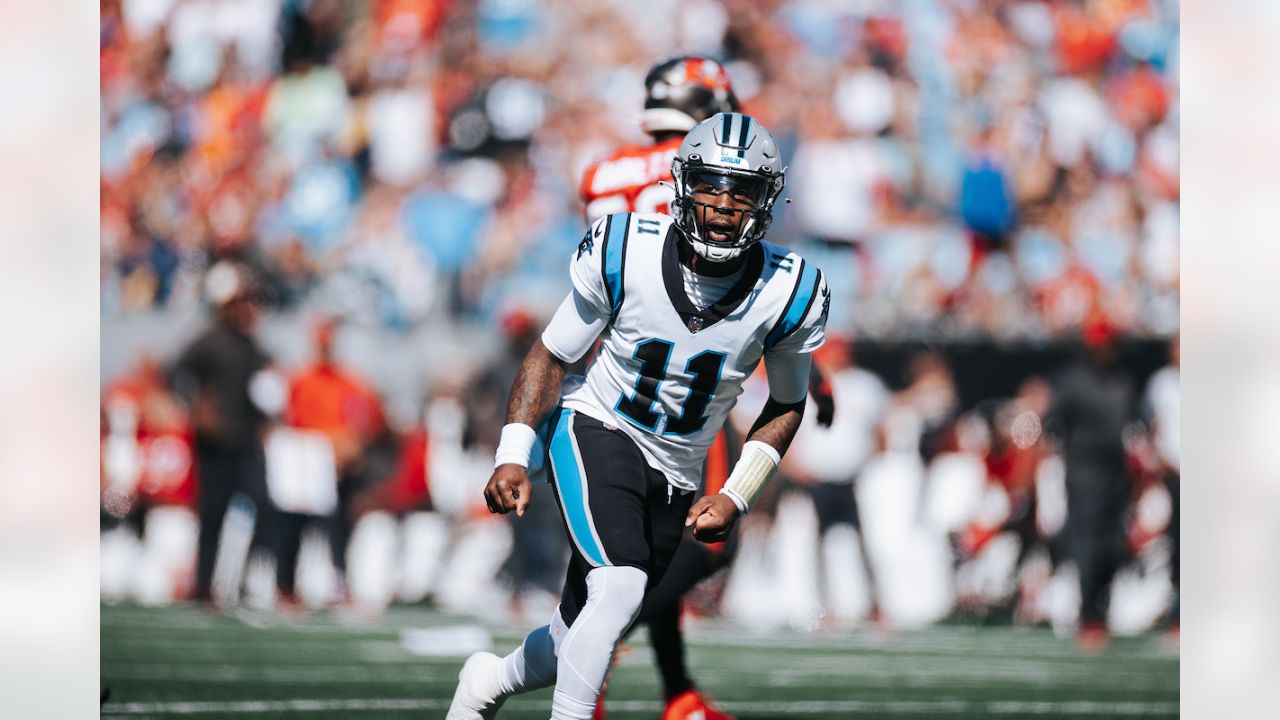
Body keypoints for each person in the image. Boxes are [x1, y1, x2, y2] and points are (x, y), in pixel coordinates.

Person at [448, 112, 829, 720]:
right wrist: (513, 454)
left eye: (744, 191)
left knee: (577, 633)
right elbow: (552, 354)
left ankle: (486, 683)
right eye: (710, 184)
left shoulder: (791, 289)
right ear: (682, 185)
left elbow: (786, 404)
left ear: (768, 198)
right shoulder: (627, 247)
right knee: (620, 587)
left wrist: (737, 494)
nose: (725, 205)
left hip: (678, 471)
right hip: (597, 426)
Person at [579, 59, 831, 718]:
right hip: (677, 388)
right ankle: (594, 655)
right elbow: (722, 275)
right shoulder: (711, 181)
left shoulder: (609, 172)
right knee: (693, 542)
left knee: (645, 546)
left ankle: (675, 691)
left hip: (606, 381)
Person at [171, 260, 278, 605]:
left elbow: (265, 394)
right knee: (213, 516)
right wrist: (196, 407)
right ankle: (204, 587)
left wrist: (268, 423)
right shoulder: (207, 342)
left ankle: (246, 581)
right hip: (214, 445)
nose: (247, 309)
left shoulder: (254, 348)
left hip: (246, 443)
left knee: (262, 508)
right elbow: (174, 375)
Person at [780, 335, 888, 627]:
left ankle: (875, 606)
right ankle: (825, 608)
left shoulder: (864, 386)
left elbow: (880, 429)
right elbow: (785, 432)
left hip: (852, 477)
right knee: (817, 546)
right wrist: (795, 469)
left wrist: (871, 462)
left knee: (865, 544)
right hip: (816, 478)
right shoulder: (803, 384)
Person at [1046, 315, 1137, 651]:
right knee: (1088, 547)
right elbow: (1044, 423)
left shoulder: (1123, 381)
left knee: (1114, 547)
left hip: (1117, 475)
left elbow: (1134, 428)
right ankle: (1088, 617)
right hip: (1084, 474)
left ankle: (1103, 612)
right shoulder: (1071, 381)